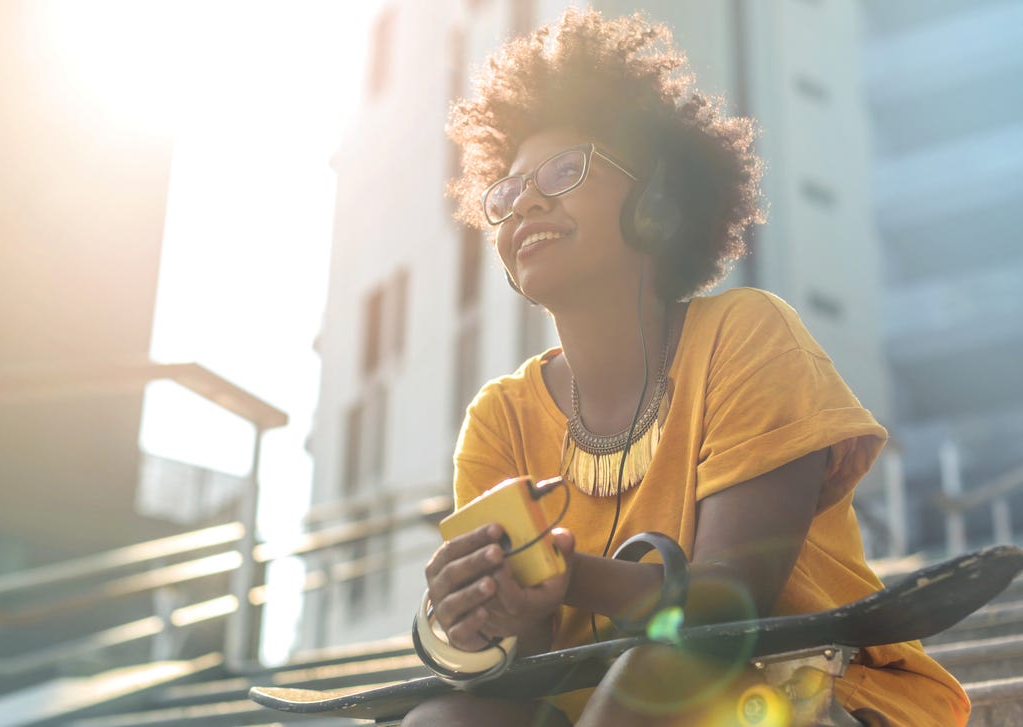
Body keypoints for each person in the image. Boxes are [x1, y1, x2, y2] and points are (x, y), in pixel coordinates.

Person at [404, 8, 969, 727]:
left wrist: (567, 575)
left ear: (655, 202)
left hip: (803, 691)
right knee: (446, 721)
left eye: (562, 170)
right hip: (609, 709)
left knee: (663, 674)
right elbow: (527, 667)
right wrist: (479, 614)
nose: (526, 204)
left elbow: (729, 603)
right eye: (506, 194)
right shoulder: (500, 418)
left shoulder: (748, 335)